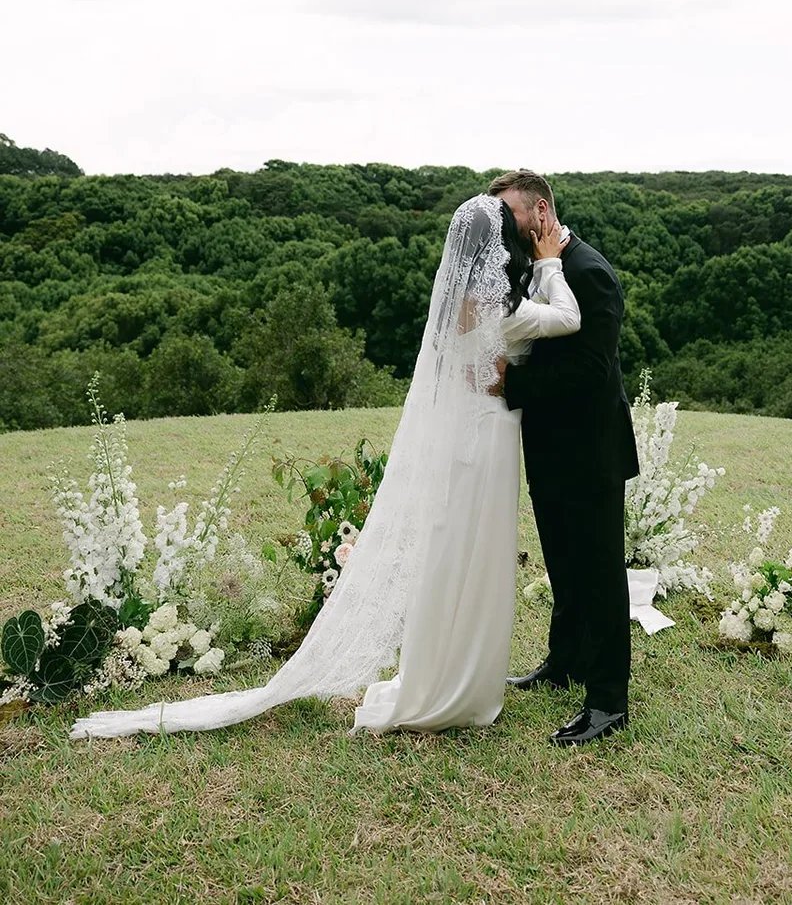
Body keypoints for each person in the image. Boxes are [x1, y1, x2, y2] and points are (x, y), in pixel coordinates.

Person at [70, 194, 581, 741]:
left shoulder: (467, 302)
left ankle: (443, 677)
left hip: (472, 437)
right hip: (487, 444)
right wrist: (552, 259)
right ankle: (456, 688)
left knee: (455, 556)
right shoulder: (502, 308)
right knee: (474, 558)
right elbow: (569, 318)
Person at [489, 169, 639, 747]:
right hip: (548, 447)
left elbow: (590, 369)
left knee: (599, 574)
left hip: (591, 449)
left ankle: (607, 701)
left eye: (512, 215)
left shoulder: (590, 273)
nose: (505, 226)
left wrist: (510, 386)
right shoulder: (530, 266)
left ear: (542, 211)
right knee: (562, 564)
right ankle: (564, 662)